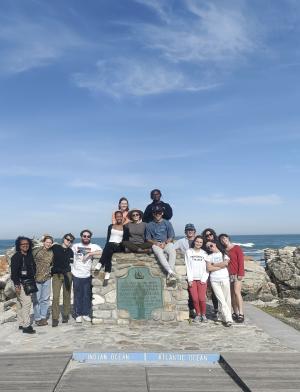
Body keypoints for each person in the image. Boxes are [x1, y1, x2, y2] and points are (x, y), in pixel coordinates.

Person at [72, 230, 102, 323]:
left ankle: (85, 313)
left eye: (88, 236)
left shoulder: (93, 246)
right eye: (84, 236)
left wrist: (89, 253)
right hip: (76, 274)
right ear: (81, 237)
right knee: (77, 295)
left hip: (87, 274)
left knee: (86, 295)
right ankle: (78, 314)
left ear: (90, 237)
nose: (86, 238)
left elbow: (102, 252)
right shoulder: (75, 246)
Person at [10, 236, 36, 334]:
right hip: (19, 283)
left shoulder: (29, 255)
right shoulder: (16, 257)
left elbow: (33, 267)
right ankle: (26, 326)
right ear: (19, 245)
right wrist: (17, 285)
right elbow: (14, 273)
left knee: (20, 303)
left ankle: (21, 323)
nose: (25, 245)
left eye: (27, 244)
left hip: (27, 282)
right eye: (23, 244)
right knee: (27, 303)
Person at [96, 211, 129, 286]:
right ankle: (107, 275)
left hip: (119, 246)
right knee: (108, 253)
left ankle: (100, 262)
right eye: (117, 216)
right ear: (115, 217)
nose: (119, 218)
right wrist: (107, 246)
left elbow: (125, 240)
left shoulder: (125, 228)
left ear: (122, 217)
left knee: (109, 247)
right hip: (110, 246)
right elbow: (108, 238)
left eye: (120, 216)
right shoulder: (110, 226)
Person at [219, 233, 245, 323]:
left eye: (224, 238)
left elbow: (241, 261)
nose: (223, 240)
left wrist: (241, 273)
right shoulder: (223, 250)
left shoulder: (236, 248)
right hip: (227, 275)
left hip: (237, 274)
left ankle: (241, 313)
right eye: (221, 239)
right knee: (231, 294)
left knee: (237, 292)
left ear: (228, 238)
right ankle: (235, 312)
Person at [206, 241, 233, 327]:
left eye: (211, 245)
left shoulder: (223, 254)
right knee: (221, 300)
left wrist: (215, 265)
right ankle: (229, 319)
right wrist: (220, 266)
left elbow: (226, 263)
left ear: (215, 244)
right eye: (208, 247)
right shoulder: (208, 256)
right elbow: (209, 268)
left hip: (225, 278)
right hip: (214, 280)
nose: (210, 247)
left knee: (227, 299)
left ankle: (223, 317)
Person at [145, 205, 176, 280]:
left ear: (162, 213)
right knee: (159, 253)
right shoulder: (149, 225)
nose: (157, 214)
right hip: (156, 244)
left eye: (159, 212)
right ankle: (170, 271)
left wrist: (165, 243)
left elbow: (171, 236)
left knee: (172, 252)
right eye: (155, 213)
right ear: (153, 214)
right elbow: (148, 238)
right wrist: (156, 243)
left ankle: (170, 273)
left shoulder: (167, 223)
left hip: (166, 243)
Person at [51, 233, 75, 327]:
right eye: (67, 239)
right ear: (63, 239)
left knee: (67, 295)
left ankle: (65, 315)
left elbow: (71, 263)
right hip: (56, 275)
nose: (68, 241)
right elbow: (46, 248)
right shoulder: (55, 247)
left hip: (67, 275)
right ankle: (55, 318)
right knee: (56, 297)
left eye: (71, 241)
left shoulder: (70, 251)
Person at [185, 235, 209, 323]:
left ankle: (204, 315)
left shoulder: (204, 253)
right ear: (194, 242)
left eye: (200, 242)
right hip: (192, 279)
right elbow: (188, 266)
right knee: (195, 299)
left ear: (202, 244)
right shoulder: (188, 252)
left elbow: (207, 267)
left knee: (202, 299)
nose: (198, 243)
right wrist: (190, 279)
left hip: (202, 279)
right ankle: (198, 315)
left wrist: (204, 279)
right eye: (197, 241)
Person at [32, 235, 54, 326]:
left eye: (50, 242)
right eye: (47, 242)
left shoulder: (52, 253)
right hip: (36, 278)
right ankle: (37, 318)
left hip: (47, 279)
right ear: (43, 242)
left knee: (45, 299)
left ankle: (43, 317)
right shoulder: (36, 251)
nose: (48, 244)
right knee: (36, 299)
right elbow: (30, 261)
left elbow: (52, 264)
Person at [201, 228, 221, 316]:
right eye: (206, 236)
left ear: (213, 234)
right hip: (210, 270)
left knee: (222, 290)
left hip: (221, 269)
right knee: (214, 290)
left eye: (210, 234)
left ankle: (223, 308)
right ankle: (216, 309)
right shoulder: (204, 246)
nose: (209, 237)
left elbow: (223, 254)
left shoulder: (219, 243)